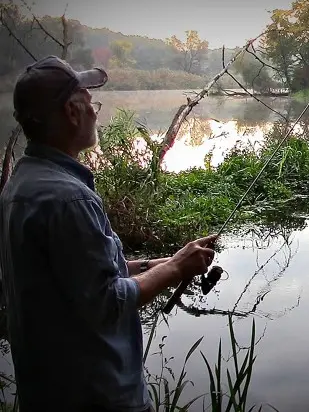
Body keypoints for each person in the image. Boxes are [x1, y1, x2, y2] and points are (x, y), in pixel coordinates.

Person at [0, 55, 217, 412]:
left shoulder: (22, 186)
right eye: (90, 103)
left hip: (47, 391)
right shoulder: (69, 198)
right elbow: (107, 302)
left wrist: (155, 263)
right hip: (95, 396)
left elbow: (74, 278)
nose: (95, 112)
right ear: (72, 112)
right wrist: (176, 269)